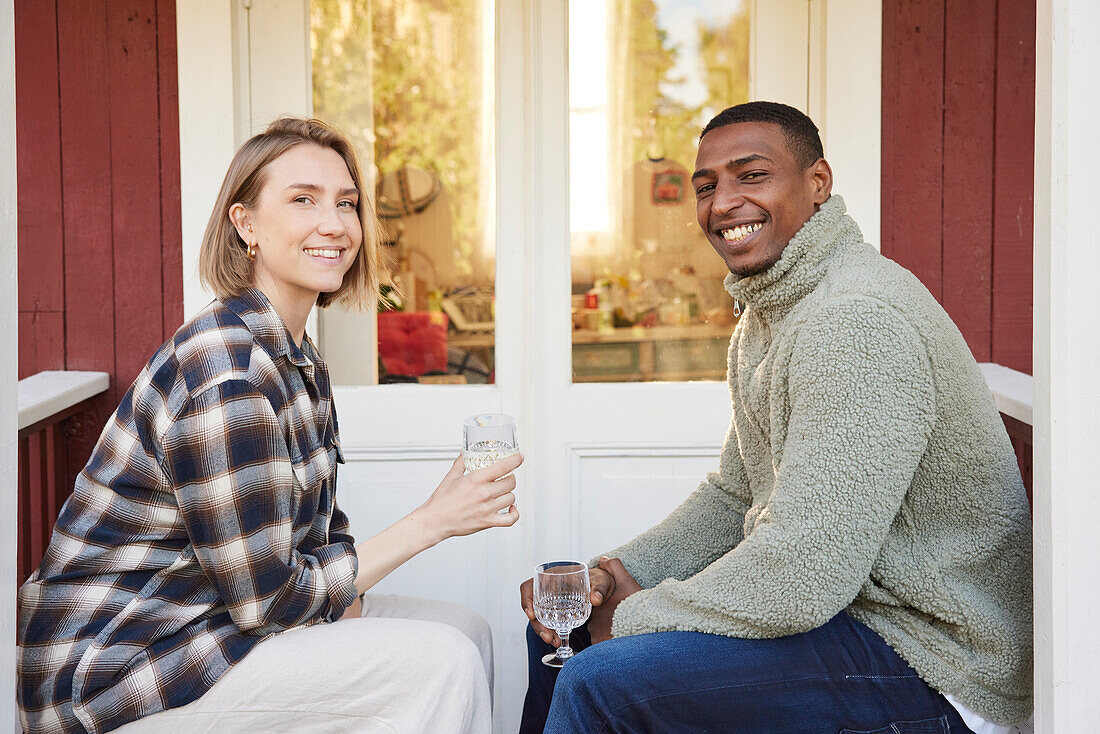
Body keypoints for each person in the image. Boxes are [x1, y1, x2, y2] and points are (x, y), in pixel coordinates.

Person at [519, 102, 1032, 734]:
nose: (723, 202)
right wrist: (606, 579)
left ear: (818, 183)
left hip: (936, 664)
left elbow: (804, 570)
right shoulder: (773, 312)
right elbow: (735, 495)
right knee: (559, 638)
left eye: (751, 176)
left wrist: (634, 614)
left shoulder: (857, 319)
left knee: (601, 681)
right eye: (706, 187)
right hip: (851, 622)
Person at [18, 117, 522, 734]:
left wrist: (354, 606)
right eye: (303, 200)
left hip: (213, 626)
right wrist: (433, 520)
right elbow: (268, 603)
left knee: (462, 630)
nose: (334, 224)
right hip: (120, 666)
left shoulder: (292, 356)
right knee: (442, 662)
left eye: (346, 204)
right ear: (246, 224)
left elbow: (316, 543)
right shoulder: (228, 373)